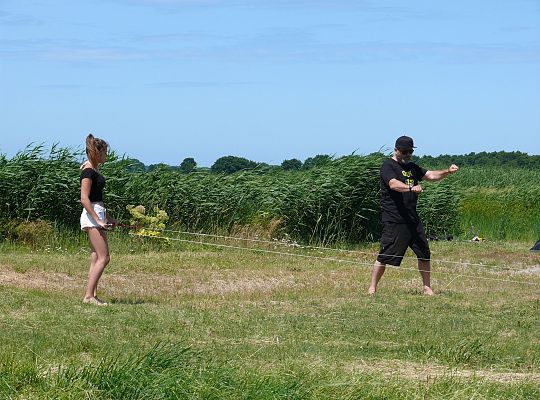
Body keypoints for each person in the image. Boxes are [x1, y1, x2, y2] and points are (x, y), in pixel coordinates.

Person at [368, 135, 459, 296]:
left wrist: (447, 172)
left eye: (410, 151)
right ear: (396, 150)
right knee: (385, 254)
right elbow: (393, 184)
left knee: (424, 252)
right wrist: (410, 188)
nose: (407, 154)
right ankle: (372, 288)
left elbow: (430, 175)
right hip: (395, 219)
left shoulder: (412, 167)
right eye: (404, 152)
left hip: (412, 218)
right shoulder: (388, 166)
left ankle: (427, 288)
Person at [80, 134, 116, 306]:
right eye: (105, 152)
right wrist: (98, 220)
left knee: (96, 257)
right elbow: (85, 199)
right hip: (92, 216)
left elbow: (97, 198)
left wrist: (108, 217)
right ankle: (88, 297)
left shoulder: (94, 170)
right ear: (97, 153)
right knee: (104, 257)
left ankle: (92, 294)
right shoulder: (88, 171)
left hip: (98, 214)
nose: (107, 156)